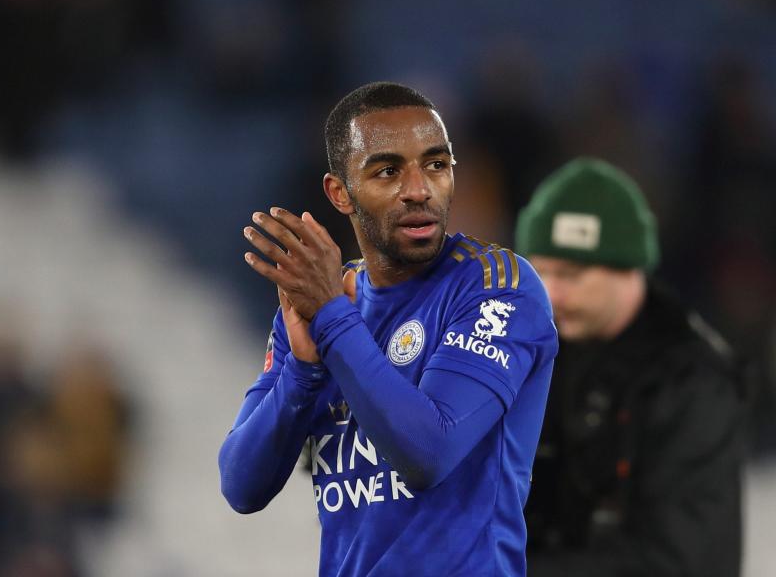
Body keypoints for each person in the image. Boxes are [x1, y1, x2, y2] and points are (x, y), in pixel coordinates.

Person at [218, 82, 558, 576]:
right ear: (340, 192)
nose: (419, 189)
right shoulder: (321, 301)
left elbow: (428, 454)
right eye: (388, 171)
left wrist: (335, 320)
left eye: (437, 165)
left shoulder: (496, 287)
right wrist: (303, 372)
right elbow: (241, 485)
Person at [516, 158, 745, 576]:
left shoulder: (690, 379)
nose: (551, 294)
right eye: (540, 272)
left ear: (628, 268)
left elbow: (680, 562)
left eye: (570, 274)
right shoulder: (534, 354)